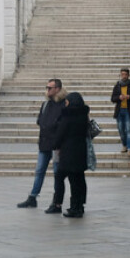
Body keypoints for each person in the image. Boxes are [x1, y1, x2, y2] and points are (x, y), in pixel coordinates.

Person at [16, 78, 67, 210]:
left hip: (57, 145)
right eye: (47, 87)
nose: (47, 90)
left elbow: (64, 124)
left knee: (57, 173)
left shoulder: (64, 104)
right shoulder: (45, 104)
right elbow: (40, 120)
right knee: (39, 170)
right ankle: (32, 197)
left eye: (50, 88)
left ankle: (56, 201)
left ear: (57, 89)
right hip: (44, 143)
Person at [51, 92, 90, 218]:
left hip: (69, 153)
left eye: (67, 101)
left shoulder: (68, 116)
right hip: (80, 152)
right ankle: (79, 205)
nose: (65, 103)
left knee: (66, 178)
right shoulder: (84, 116)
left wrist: (54, 145)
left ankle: (74, 208)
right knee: (79, 180)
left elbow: (60, 134)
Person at [110, 68, 130, 154]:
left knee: (128, 129)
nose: (124, 76)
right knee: (121, 129)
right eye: (122, 74)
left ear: (128, 75)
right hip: (119, 111)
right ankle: (124, 145)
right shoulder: (117, 85)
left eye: (125, 74)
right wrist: (119, 98)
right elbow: (112, 98)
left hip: (129, 110)